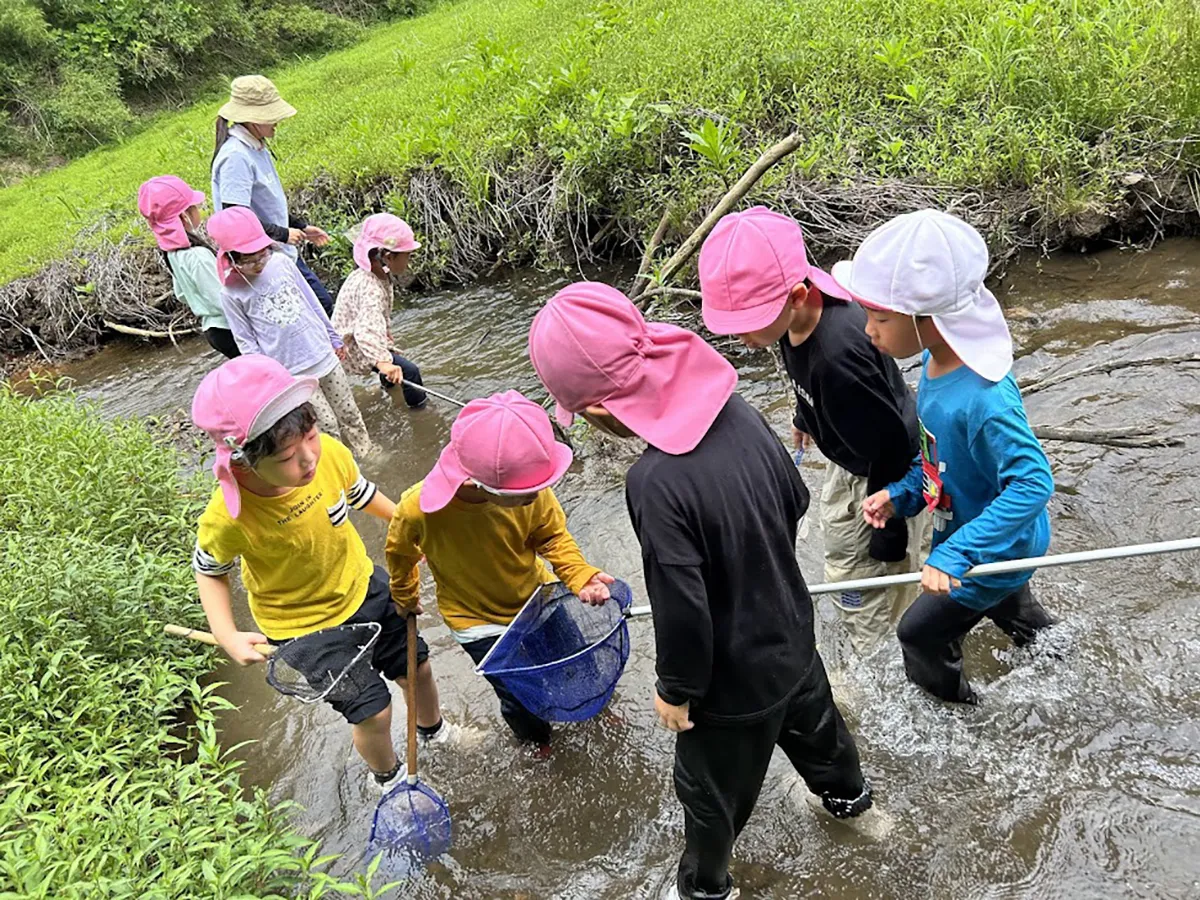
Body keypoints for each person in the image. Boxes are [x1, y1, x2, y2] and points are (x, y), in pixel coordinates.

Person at [527, 283, 875, 900]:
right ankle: (860, 814)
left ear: (602, 410)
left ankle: (706, 889)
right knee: (822, 737)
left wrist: (676, 690)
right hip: (793, 637)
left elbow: (682, 607)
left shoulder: (654, 481)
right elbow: (794, 500)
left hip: (729, 688)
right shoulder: (737, 409)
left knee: (708, 795)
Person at [190, 355, 471, 791]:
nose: (309, 459)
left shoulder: (330, 456)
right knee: (373, 710)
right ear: (243, 462)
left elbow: (361, 493)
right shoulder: (231, 516)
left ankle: (436, 732)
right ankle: (389, 780)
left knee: (417, 668)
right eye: (288, 456)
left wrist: (406, 529)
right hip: (303, 627)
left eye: (311, 436)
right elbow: (209, 570)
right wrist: (226, 634)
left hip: (361, 585)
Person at [833, 209, 1057, 705]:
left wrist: (957, 553)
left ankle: (958, 712)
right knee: (1008, 603)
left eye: (880, 318)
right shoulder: (935, 363)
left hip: (993, 547)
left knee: (918, 633)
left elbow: (1033, 484)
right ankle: (1054, 648)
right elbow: (939, 460)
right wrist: (902, 495)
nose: (868, 330)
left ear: (929, 318)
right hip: (985, 540)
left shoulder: (985, 400)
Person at [699, 206, 926, 657]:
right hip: (851, 453)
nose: (740, 339)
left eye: (747, 325)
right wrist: (807, 417)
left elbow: (895, 443)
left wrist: (888, 531)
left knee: (861, 579)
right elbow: (804, 373)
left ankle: (878, 658)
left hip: (884, 476)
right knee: (842, 560)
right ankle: (875, 633)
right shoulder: (794, 320)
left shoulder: (840, 357)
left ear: (798, 295)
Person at [385, 390, 614, 750]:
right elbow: (399, 555)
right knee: (518, 697)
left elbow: (553, 537)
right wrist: (405, 596)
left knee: (576, 660)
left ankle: (595, 711)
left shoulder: (534, 491)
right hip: (477, 622)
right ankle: (539, 744)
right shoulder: (417, 509)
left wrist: (579, 575)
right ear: (477, 483)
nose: (537, 495)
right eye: (526, 493)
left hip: (538, 598)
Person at [206, 206, 375, 458]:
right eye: (249, 260)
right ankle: (338, 464)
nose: (258, 263)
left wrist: (332, 336)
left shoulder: (281, 263)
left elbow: (311, 301)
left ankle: (367, 454)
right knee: (326, 426)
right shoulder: (232, 293)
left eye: (262, 255)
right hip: (291, 373)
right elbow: (246, 342)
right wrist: (267, 378)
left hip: (322, 353)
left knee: (349, 412)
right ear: (230, 258)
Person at [211, 75, 335, 315]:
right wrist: (283, 234)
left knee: (321, 307)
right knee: (318, 309)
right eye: (271, 116)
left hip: (280, 251)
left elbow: (267, 203)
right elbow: (236, 218)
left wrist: (300, 226)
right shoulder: (235, 157)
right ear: (253, 119)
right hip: (261, 261)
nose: (277, 121)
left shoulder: (256, 147)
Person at [331, 213, 428, 409]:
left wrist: (384, 334)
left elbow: (372, 319)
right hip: (352, 345)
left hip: (355, 338)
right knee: (410, 372)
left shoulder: (373, 272)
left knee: (390, 359)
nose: (409, 262)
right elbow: (365, 332)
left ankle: (389, 388)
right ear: (388, 257)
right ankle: (421, 412)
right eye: (407, 256)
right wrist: (383, 363)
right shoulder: (371, 289)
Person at [136, 175, 239, 359]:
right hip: (230, 327)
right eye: (195, 207)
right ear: (184, 216)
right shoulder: (197, 255)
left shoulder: (173, 253)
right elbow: (222, 300)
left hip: (214, 331)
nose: (199, 210)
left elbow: (181, 294)